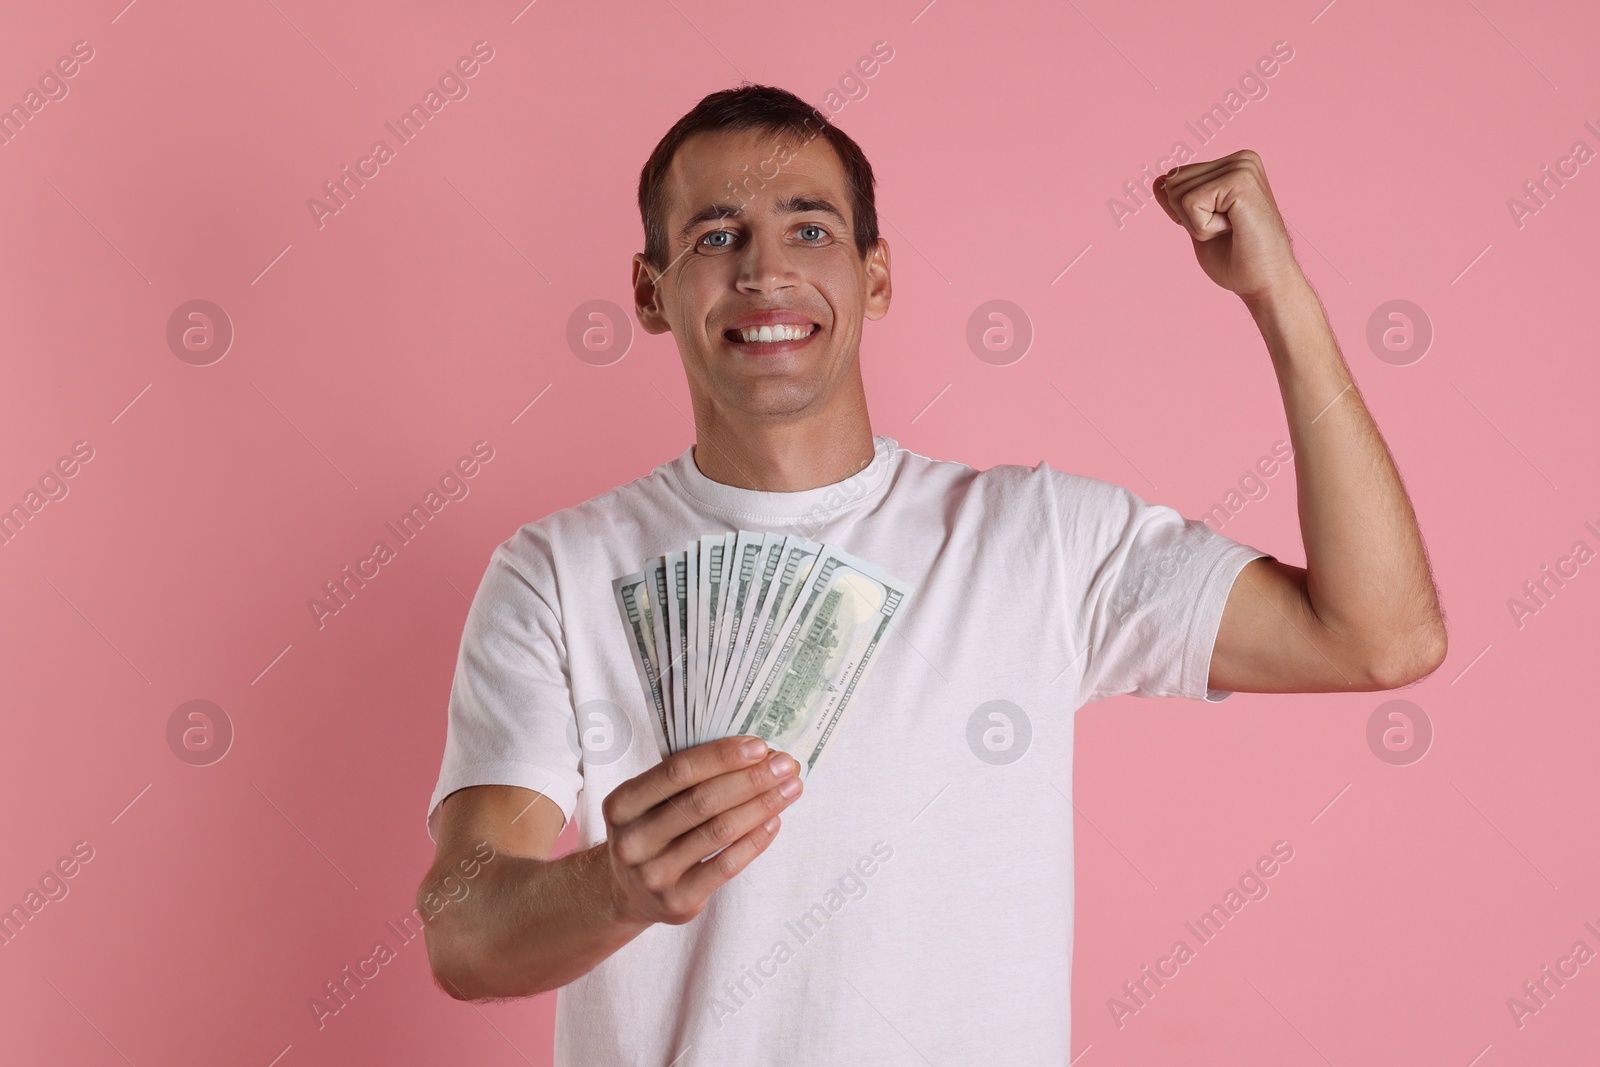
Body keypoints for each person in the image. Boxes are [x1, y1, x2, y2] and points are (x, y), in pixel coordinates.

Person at [416, 84, 1446, 1064]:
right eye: (715, 235)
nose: (764, 270)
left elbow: (1378, 635)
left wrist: (1279, 294)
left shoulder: (1035, 536)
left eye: (809, 227)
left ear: (876, 276)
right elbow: (461, 929)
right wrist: (612, 885)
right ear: (650, 292)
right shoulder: (558, 569)